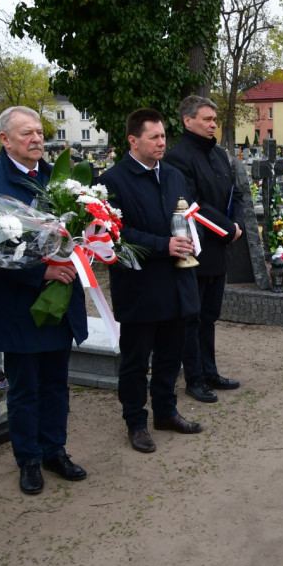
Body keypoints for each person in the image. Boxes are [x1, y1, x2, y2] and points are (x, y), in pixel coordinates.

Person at [0, 106, 89, 495]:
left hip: (60, 300)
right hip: (18, 306)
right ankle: (29, 459)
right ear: (4, 139)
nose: (37, 139)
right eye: (26, 134)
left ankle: (55, 450)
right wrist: (40, 273)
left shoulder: (60, 178)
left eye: (39, 132)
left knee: (56, 384)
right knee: (24, 388)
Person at [99, 109, 229, 452]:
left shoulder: (172, 175)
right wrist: (163, 245)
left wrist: (192, 239)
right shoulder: (112, 181)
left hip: (178, 281)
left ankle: (166, 411)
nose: (162, 142)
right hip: (141, 286)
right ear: (133, 140)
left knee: (172, 354)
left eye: (163, 136)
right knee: (136, 360)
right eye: (154, 137)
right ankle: (135, 421)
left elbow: (186, 216)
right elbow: (116, 233)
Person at [162, 96, 244, 403]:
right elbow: (193, 205)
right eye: (207, 119)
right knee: (192, 317)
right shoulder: (178, 158)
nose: (213, 124)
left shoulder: (220, 155)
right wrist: (227, 230)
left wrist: (237, 225)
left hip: (221, 247)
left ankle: (210, 371)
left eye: (214, 119)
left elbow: (234, 193)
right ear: (188, 121)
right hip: (196, 249)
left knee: (210, 315)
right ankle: (194, 378)